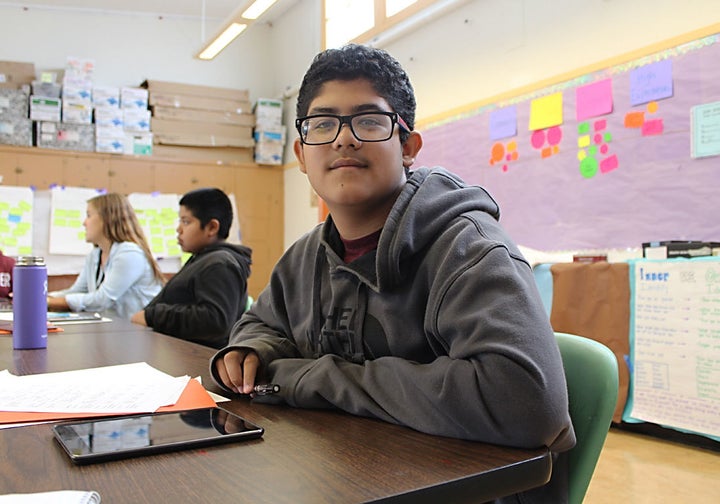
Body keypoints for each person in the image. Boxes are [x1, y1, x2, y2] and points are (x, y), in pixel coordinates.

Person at [210, 44, 576, 502]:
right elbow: (261, 323)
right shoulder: (305, 257)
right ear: (302, 155)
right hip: (347, 479)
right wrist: (253, 350)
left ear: (408, 147)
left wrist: (307, 379)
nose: (344, 139)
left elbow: (525, 402)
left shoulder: (470, 250)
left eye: (368, 120)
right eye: (323, 124)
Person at [131, 188, 252, 349]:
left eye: (186, 221)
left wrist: (152, 316)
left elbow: (215, 321)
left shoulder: (219, 264)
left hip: (197, 360)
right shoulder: (203, 257)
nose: (178, 229)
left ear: (212, 228)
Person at [48, 193, 164, 319]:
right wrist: (44, 298)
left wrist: (48, 302)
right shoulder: (95, 255)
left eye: (88, 215)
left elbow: (102, 299)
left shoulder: (130, 253)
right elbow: (77, 291)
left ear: (107, 218)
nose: (84, 223)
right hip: (113, 330)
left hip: (139, 333)